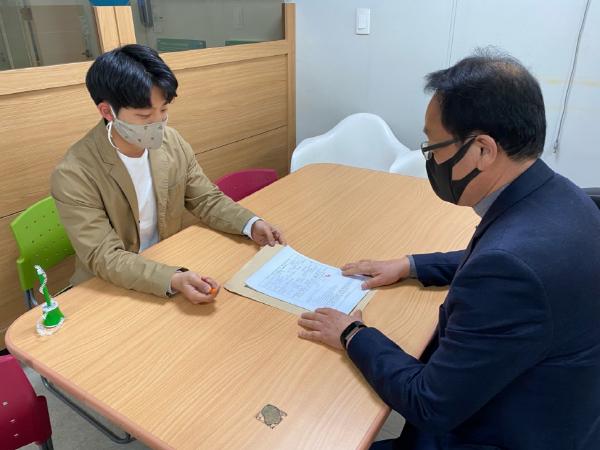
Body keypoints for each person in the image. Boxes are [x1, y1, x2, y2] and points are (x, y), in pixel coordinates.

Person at [297, 50, 600, 449]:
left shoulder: (510, 269)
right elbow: (500, 260)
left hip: (499, 433)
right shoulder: (566, 198)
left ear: (482, 150)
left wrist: (353, 334)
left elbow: (429, 404)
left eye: (433, 146)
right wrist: (410, 265)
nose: (430, 157)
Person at [51, 44, 285, 304]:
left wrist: (250, 224)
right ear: (107, 112)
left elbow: (206, 198)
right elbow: (104, 257)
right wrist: (172, 278)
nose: (158, 123)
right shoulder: (74, 174)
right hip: (109, 286)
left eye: (163, 110)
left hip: (167, 260)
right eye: (144, 115)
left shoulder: (171, 142)